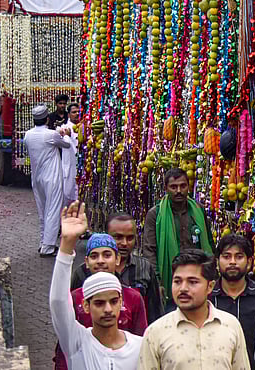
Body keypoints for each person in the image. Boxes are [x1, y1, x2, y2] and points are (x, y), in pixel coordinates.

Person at [50, 202, 143, 370]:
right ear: (85, 305)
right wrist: (67, 244)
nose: (108, 309)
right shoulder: (77, 343)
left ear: (121, 302)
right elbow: (58, 301)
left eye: (113, 302)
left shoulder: (139, 347)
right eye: (99, 303)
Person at [138, 249, 250, 369]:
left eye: (192, 282)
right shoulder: (156, 332)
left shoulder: (230, 326)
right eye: (177, 281)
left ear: (210, 287)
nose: (183, 288)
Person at [72, 213, 164, 324]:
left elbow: (154, 313)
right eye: (118, 237)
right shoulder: (82, 273)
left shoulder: (144, 268)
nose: (124, 243)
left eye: (130, 238)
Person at [142, 168, 215, 301]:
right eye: (173, 187)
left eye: (183, 186)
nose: (179, 191)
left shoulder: (198, 211)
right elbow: (149, 250)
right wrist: (157, 282)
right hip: (169, 278)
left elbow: (209, 243)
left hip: (197, 277)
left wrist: (211, 273)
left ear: (189, 186)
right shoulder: (156, 215)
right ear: (166, 188)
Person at [209, 234, 255, 370]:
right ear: (217, 261)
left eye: (239, 257)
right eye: (226, 256)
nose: (232, 262)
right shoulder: (208, 296)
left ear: (249, 262)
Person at [25, 104, 70, 256]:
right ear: (47, 119)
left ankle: (43, 241)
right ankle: (48, 247)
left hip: (37, 177)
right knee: (53, 209)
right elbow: (67, 145)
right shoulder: (51, 135)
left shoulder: (28, 135)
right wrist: (63, 133)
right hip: (52, 177)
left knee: (42, 210)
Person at [57, 102, 80, 205]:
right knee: (68, 193)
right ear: (68, 115)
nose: (77, 114)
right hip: (70, 166)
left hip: (81, 165)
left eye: (78, 112)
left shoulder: (83, 127)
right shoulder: (64, 128)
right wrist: (67, 136)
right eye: (74, 112)